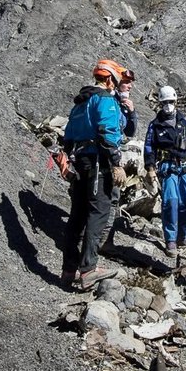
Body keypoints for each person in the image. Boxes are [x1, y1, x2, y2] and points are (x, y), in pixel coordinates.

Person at [60, 59, 125, 291]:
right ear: (108, 79)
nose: (116, 87)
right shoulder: (104, 99)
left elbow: (67, 136)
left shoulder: (79, 103)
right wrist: (116, 163)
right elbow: (107, 131)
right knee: (98, 213)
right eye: (115, 82)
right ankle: (88, 269)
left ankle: (68, 270)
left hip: (79, 162)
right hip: (99, 163)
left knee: (76, 216)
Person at [144, 86, 186, 257]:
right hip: (166, 166)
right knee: (171, 202)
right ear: (160, 103)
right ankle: (171, 239)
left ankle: (183, 235)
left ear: (175, 102)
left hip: (185, 166)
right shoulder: (155, 125)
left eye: (170, 102)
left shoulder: (183, 122)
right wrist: (150, 168)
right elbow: (149, 147)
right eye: (164, 102)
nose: (168, 105)